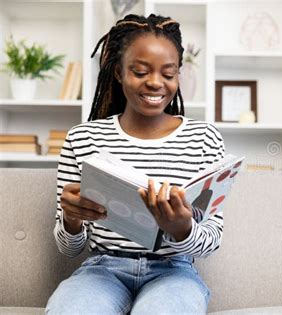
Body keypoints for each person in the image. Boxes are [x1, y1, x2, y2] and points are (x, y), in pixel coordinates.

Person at [45, 13, 225, 314]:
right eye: (140, 71)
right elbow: (68, 248)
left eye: (168, 74)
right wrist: (72, 220)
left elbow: (212, 241)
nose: (155, 83)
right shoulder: (83, 138)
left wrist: (182, 229)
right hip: (102, 270)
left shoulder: (205, 138)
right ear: (118, 72)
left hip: (174, 271)